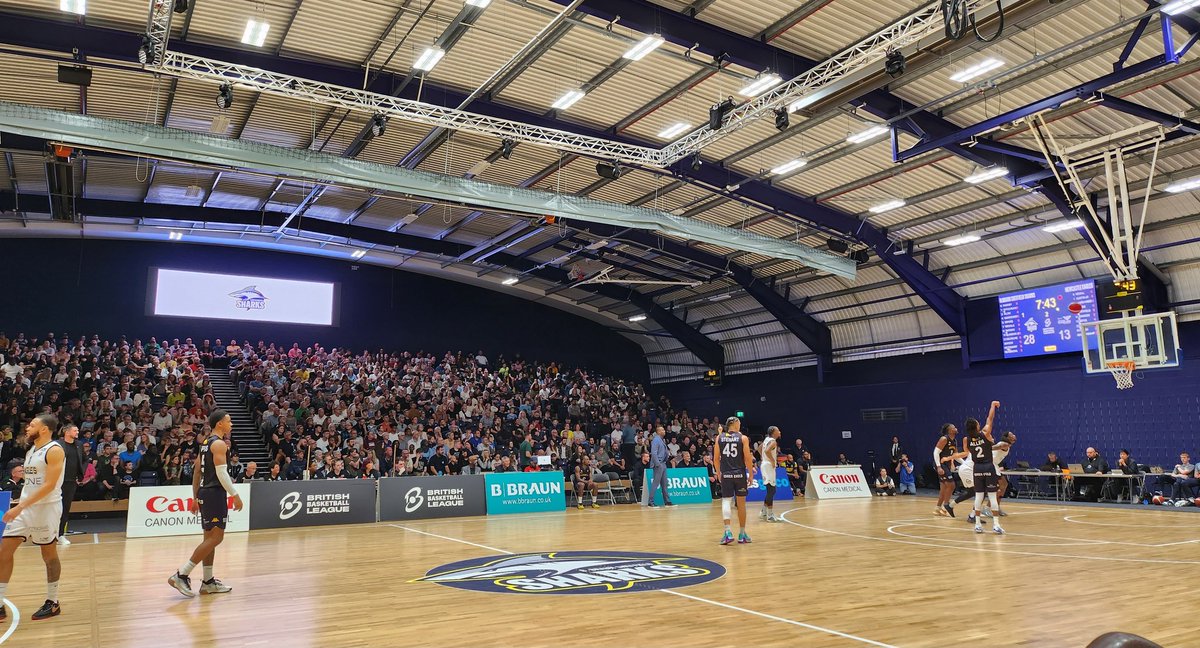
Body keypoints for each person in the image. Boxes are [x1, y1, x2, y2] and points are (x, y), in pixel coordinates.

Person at [168, 410, 244, 598]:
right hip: (214, 493)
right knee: (217, 538)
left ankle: (208, 582)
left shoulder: (205, 444)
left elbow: (196, 472)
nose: (231, 424)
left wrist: (195, 497)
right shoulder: (219, 444)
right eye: (229, 421)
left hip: (204, 493)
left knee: (209, 540)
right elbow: (222, 474)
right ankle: (181, 574)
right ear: (220, 424)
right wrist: (235, 494)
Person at [0, 413, 67, 621]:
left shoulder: (55, 450)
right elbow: (32, 483)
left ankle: (53, 601)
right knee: (3, 552)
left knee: (49, 556)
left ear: (44, 429)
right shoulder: (31, 450)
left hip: (46, 509)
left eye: (32, 425)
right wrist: (20, 504)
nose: (27, 428)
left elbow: (49, 486)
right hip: (25, 509)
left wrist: (20, 507)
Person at [964, 401, 1004, 535]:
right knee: (992, 496)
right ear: (976, 425)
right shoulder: (985, 433)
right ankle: (996, 525)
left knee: (978, 496)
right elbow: (990, 418)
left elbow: (967, 451)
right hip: (988, 465)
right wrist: (993, 406)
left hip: (977, 468)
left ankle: (977, 524)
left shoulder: (966, 439)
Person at [714, 417, 754, 545]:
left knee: (726, 501)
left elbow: (715, 459)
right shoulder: (743, 438)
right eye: (739, 423)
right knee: (741, 504)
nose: (740, 425)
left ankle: (727, 532)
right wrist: (751, 474)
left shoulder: (719, 438)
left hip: (726, 474)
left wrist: (719, 473)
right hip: (739, 474)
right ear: (734, 424)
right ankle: (742, 534)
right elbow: (748, 458)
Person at [55, 424, 84, 543]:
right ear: (67, 432)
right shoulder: (57, 444)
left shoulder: (79, 445)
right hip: (56, 481)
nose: (77, 432)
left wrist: (80, 473)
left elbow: (85, 459)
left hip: (71, 481)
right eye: (75, 430)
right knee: (53, 508)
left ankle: (60, 534)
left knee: (65, 508)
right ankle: (48, 533)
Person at [934, 424, 961, 517]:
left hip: (946, 464)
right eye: (954, 427)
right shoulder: (944, 439)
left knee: (944, 488)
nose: (956, 428)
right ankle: (946, 507)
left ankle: (938, 508)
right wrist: (938, 466)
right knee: (951, 485)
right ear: (949, 431)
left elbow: (956, 456)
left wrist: (965, 464)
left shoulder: (954, 441)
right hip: (941, 464)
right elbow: (936, 452)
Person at [646, 425, 674, 508]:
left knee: (665, 484)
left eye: (664, 430)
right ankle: (650, 501)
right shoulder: (656, 440)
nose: (664, 431)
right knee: (655, 483)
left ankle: (667, 501)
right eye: (662, 430)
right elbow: (653, 453)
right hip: (659, 464)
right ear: (658, 432)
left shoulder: (662, 440)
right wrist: (657, 464)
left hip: (663, 463)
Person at [758, 426, 781, 522]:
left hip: (764, 464)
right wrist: (772, 460)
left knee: (771, 490)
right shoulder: (773, 441)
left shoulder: (767, 439)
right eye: (778, 430)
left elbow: (760, 448)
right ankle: (770, 515)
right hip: (768, 466)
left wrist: (763, 457)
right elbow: (767, 451)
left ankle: (763, 512)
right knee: (771, 490)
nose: (779, 432)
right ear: (773, 432)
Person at [991, 432, 1016, 515]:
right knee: (998, 487)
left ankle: (996, 507)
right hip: (990, 465)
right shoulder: (1004, 444)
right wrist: (986, 448)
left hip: (994, 465)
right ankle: (989, 507)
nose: (1014, 435)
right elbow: (997, 447)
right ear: (1008, 438)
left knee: (1004, 485)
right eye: (1011, 435)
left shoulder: (1007, 445)